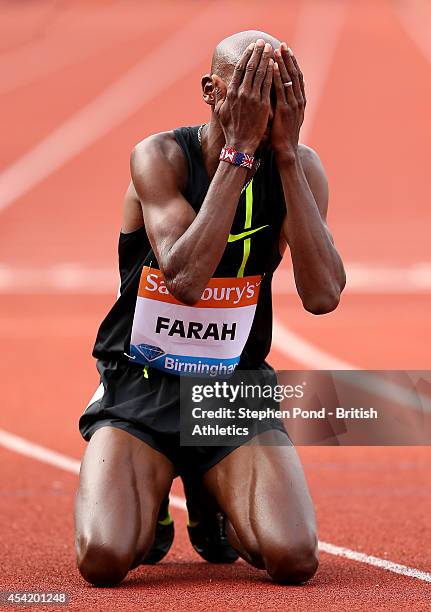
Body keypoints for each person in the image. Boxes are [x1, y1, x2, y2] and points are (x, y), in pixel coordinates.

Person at [75, 30, 345, 587]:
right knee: (105, 557)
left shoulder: (302, 168)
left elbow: (322, 296)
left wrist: (288, 158)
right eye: (248, 90)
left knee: (293, 559)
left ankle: (207, 486)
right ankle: (155, 500)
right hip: (142, 385)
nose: (263, 107)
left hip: (231, 390)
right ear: (212, 91)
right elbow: (186, 280)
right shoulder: (160, 157)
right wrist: (238, 155)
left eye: (277, 93)